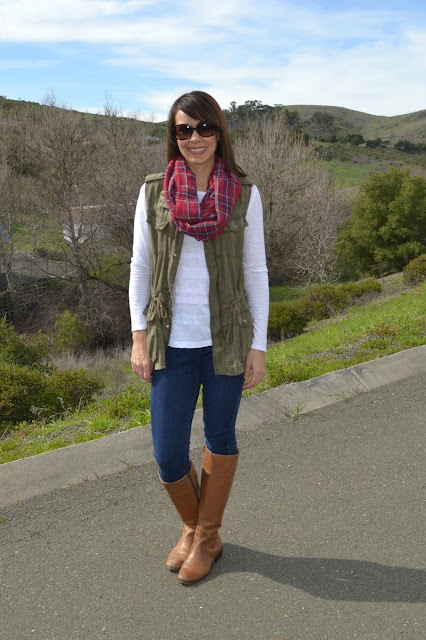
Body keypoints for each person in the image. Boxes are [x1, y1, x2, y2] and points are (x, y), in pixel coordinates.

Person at [129, 90, 268, 584]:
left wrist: (259, 345)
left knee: (220, 436)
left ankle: (206, 536)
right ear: (174, 136)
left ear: (219, 132)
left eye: (204, 127)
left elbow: (256, 271)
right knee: (167, 452)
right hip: (170, 339)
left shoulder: (244, 193)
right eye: (184, 129)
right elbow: (140, 267)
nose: (194, 138)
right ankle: (194, 526)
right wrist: (138, 337)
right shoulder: (153, 191)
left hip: (227, 337)